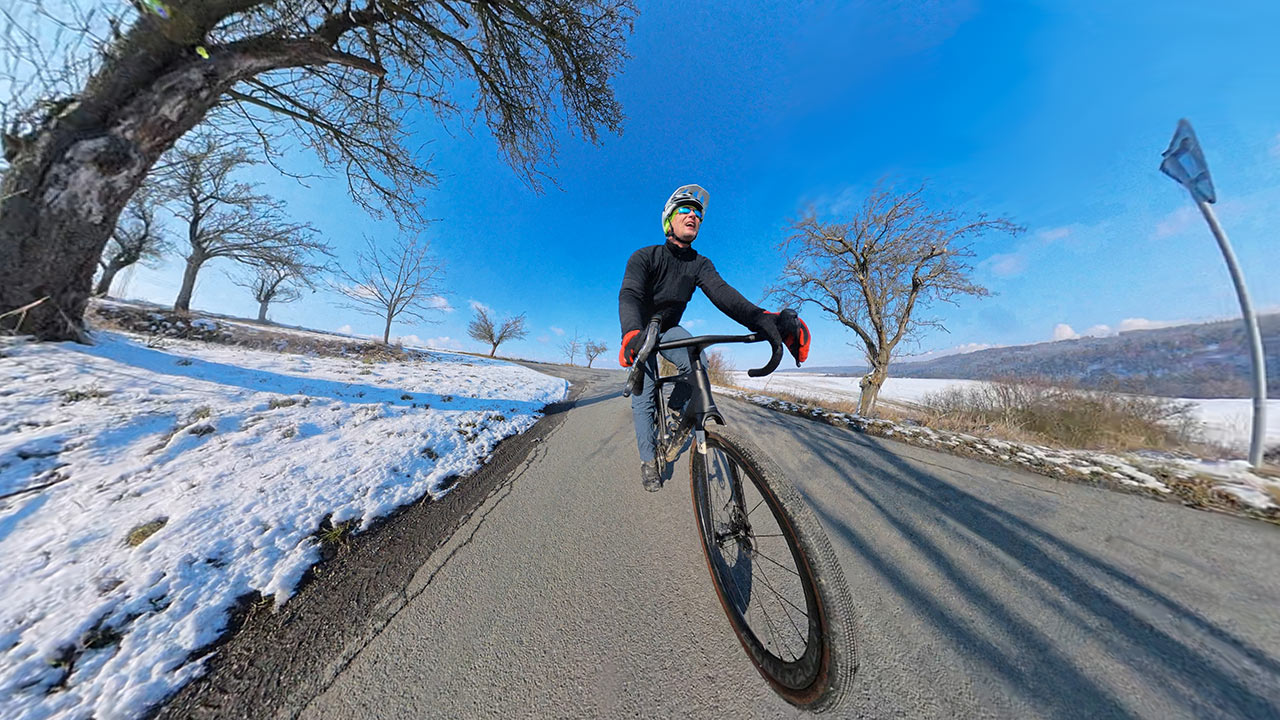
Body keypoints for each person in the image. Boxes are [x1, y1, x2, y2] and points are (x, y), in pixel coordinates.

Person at [618, 184, 810, 492]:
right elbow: (629, 294)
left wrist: (762, 318)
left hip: (669, 328)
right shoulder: (645, 256)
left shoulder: (700, 264)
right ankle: (647, 459)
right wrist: (631, 333)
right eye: (685, 209)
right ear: (668, 220)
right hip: (641, 330)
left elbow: (723, 295)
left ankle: (678, 410)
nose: (693, 215)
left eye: (698, 213)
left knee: (698, 360)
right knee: (644, 391)